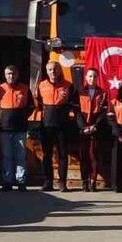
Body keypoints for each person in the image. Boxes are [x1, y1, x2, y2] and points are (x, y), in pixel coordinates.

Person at [36, 61, 76, 191]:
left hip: (62, 126)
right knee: (47, 155)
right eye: (49, 70)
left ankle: (62, 183)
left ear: (59, 70)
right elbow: (38, 104)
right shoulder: (41, 85)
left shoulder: (68, 85)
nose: (52, 72)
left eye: (54, 69)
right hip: (46, 126)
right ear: (46, 71)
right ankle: (48, 182)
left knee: (63, 155)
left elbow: (73, 104)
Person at [0, 64, 33, 191]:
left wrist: (22, 116)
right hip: (5, 129)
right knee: (7, 156)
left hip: (20, 129)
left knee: (20, 156)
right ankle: (7, 181)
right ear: (5, 75)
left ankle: (21, 181)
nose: (11, 76)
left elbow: (31, 106)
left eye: (13, 74)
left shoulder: (25, 89)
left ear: (17, 75)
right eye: (8, 74)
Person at [77, 68, 108, 191]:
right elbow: (77, 112)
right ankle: (84, 182)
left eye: (94, 76)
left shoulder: (103, 93)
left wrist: (95, 125)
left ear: (98, 78)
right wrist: (83, 127)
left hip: (96, 128)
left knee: (94, 156)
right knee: (83, 156)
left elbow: (103, 112)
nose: (92, 79)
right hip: (83, 128)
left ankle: (93, 182)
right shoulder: (79, 92)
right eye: (90, 76)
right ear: (86, 77)